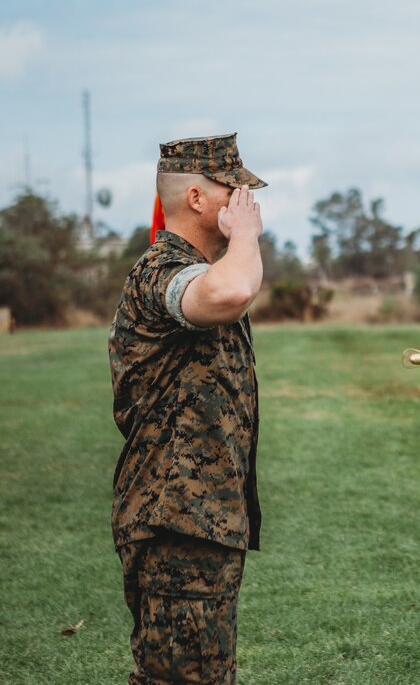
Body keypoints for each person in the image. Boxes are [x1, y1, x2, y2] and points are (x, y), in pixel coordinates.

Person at [109, 132, 267, 683]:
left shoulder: (195, 268)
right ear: (197, 199)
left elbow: (231, 288)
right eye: (233, 191)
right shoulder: (159, 272)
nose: (245, 204)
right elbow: (229, 293)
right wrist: (246, 236)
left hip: (201, 520)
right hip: (176, 521)